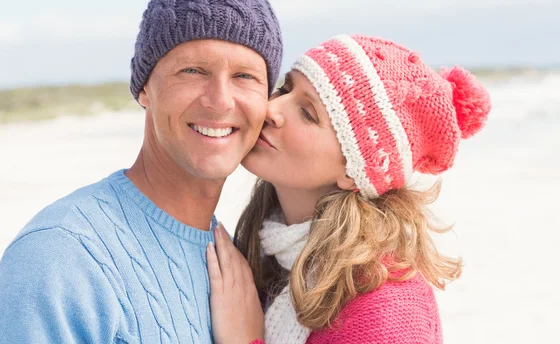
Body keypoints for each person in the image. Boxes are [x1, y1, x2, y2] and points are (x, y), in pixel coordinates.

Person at [0, 0, 282, 343]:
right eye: (192, 70)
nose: (220, 101)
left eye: (245, 76)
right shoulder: (60, 257)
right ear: (144, 89)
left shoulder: (239, 263)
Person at [208, 34, 492, 344]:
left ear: (354, 171)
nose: (272, 109)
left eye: (307, 113)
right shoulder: (270, 251)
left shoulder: (387, 310)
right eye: (285, 89)